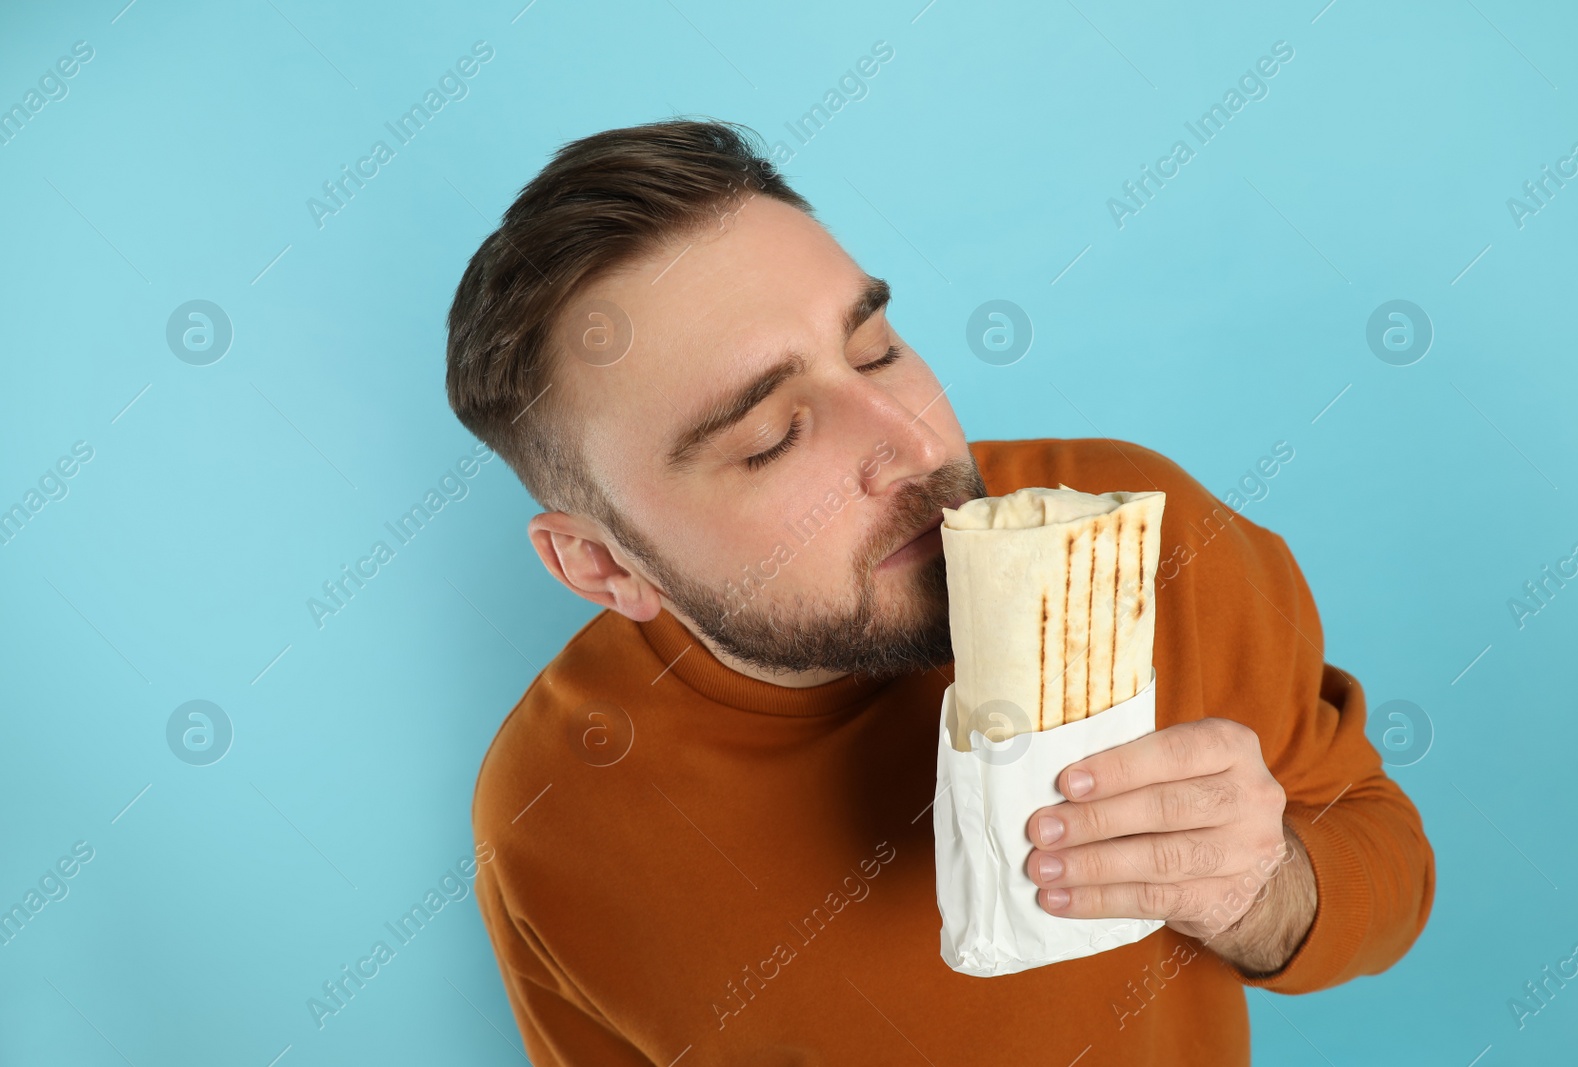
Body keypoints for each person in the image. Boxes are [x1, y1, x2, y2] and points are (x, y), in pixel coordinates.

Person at [444, 118, 1434, 1065]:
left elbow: (1380, 856)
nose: (917, 444)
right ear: (601, 565)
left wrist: (1261, 890)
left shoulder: (1145, 538)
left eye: (875, 349)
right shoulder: (549, 822)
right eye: (772, 437)